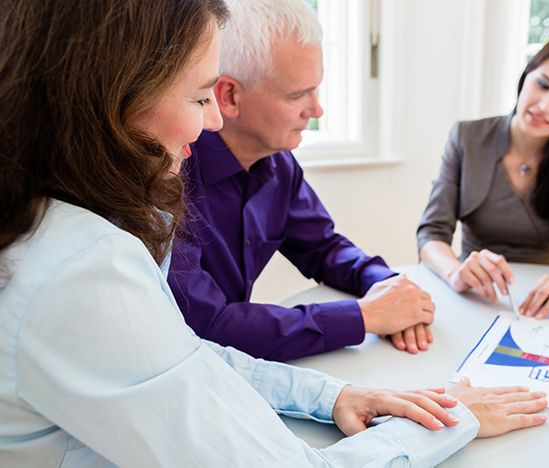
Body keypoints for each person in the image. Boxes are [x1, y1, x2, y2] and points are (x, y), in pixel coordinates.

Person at [0, 0, 547, 466]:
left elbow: (184, 352)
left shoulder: (67, 222)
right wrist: (454, 418)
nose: (210, 119)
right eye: (198, 97)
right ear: (106, 100)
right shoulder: (91, 262)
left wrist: (336, 390)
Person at [167, 0, 434, 361]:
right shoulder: (171, 176)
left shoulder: (279, 164)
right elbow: (207, 325)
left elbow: (323, 248)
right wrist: (364, 316)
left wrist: (387, 285)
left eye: (316, 89)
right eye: (297, 95)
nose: (317, 109)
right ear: (228, 96)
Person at [417, 27, 549, 323]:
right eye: (543, 84)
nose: (545, 107)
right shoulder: (467, 138)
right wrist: (455, 271)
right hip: (475, 299)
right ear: (527, 72)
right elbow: (431, 233)